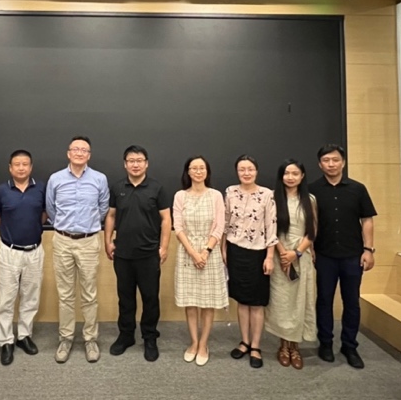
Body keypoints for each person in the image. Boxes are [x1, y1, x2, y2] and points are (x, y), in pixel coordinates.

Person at [309, 144, 376, 369]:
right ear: (320, 164)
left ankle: (349, 346)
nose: (331, 164)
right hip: (324, 255)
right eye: (326, 160)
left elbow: (367, 220)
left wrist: (368, 250)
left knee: (352, 301)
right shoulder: (312, 190)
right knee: (324, 300)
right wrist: (311, 250)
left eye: (335, 160)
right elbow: (309, 223)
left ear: (343, 162)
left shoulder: (358, 189)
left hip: (353, 255)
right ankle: (325, 343)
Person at [104, 145, 172, 362]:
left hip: (148, 254)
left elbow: (166, 219)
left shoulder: (157, 188)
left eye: (139, 160)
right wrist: (107, 240)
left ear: (146, 163)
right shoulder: (117, 188)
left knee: (150, 298)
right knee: (125, 298)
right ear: (125, 164)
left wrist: (164, 247)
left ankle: (150, 337)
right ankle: (126, 336)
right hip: (123, 254)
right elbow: (111, 216)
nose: (135, 164)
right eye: (131, 161)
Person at [46, 135, 110, 364]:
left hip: (89, 241)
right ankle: (66, 338)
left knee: (89, 294)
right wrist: (65, 227)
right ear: (68, 153)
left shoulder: (99, 179)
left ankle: (90, 339)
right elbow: (50, 208)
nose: (80, 153)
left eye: (84, 150)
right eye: (76, 149)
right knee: (65, 294)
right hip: (62, 240)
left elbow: (103, 208)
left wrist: (87, 226)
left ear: (89, 155)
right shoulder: (55, 179)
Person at [0, 149, 47, 366]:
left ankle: (24, 335)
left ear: (30, 167)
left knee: (30, 297)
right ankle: (6, 341)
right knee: (5, 299)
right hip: (9, 251)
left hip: (35, 251)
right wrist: (10, 229)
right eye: (17, 164)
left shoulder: (41, 188)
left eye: (25, 164)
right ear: (10, 168)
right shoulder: (1, 190)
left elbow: (44, 213)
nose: (21, 168)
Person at [222, 155, 277, 368]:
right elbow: (225, 222)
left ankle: (255, 346)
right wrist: (224, 250)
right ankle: (244, 341)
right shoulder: (230, 192)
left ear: (256, 171)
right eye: (242, 169)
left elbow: (271, 226)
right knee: (242, 300)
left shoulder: (267, 194)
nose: (246, 173)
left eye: (250, 169)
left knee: (257, 302)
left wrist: (270, 257)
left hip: (258, 253)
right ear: (237, 172)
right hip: (235, 251)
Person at [173, 156, 228, 367]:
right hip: (187, 253)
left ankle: (204, 344)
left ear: (207, 171)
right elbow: (178, 227)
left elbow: (220, 226)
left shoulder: (215, 195)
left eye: (201, 168)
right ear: (187, 172)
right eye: (193, 168)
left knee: (208, 302)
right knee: (190, 301)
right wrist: (194, 254)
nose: (198, 171)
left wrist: (205, 251)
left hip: (210, 253)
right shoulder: (180, 196)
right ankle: (194, 342)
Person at [264, 159, 317, 370]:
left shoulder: (310, 199)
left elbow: (312, 230)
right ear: (281, 176)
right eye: (287, 173)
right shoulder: (272, 198)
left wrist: (297, 252)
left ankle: (295, 347)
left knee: (300, 301)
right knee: (282, 302)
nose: (290, 177)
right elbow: (269, 228)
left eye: (295, 173)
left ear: (302, 176)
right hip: (279, 255)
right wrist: (283, 253)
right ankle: (283, 346)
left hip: (301, 256)